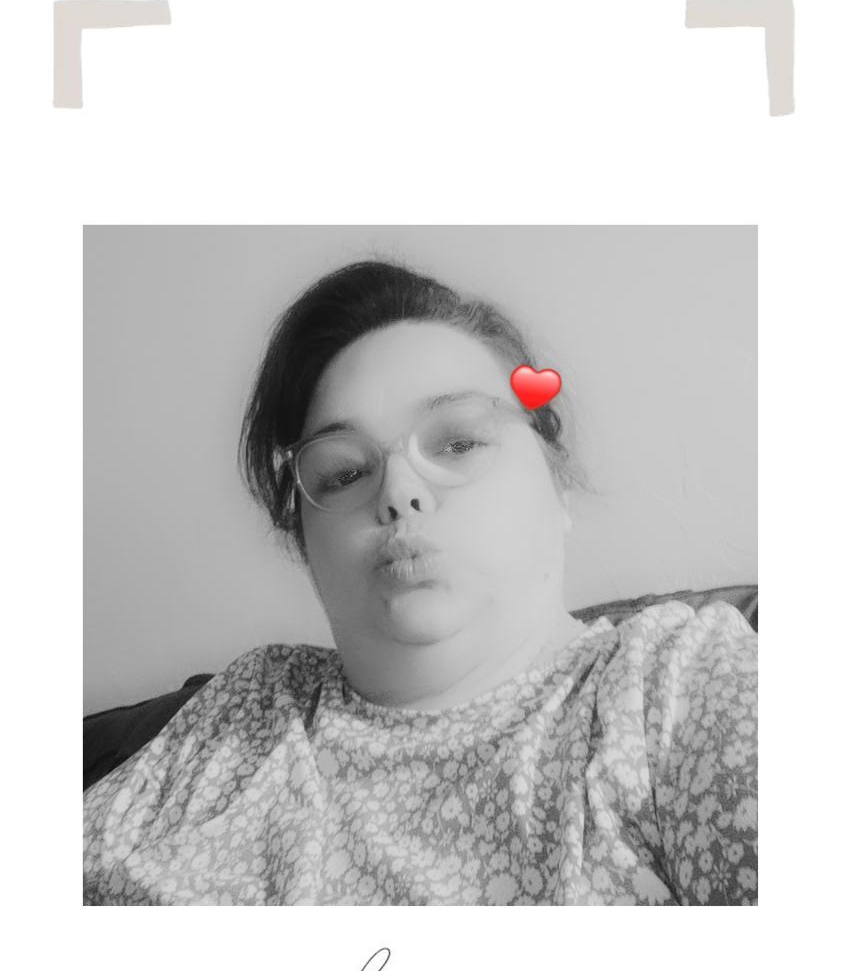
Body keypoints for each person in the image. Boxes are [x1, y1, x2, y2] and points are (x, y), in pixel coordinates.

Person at [83, 258, 757, 905]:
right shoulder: (246, 706)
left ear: (557, 484)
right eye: (344, 474)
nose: (398, 491)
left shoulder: (676, 684)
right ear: (304, 542)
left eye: (458, 442)